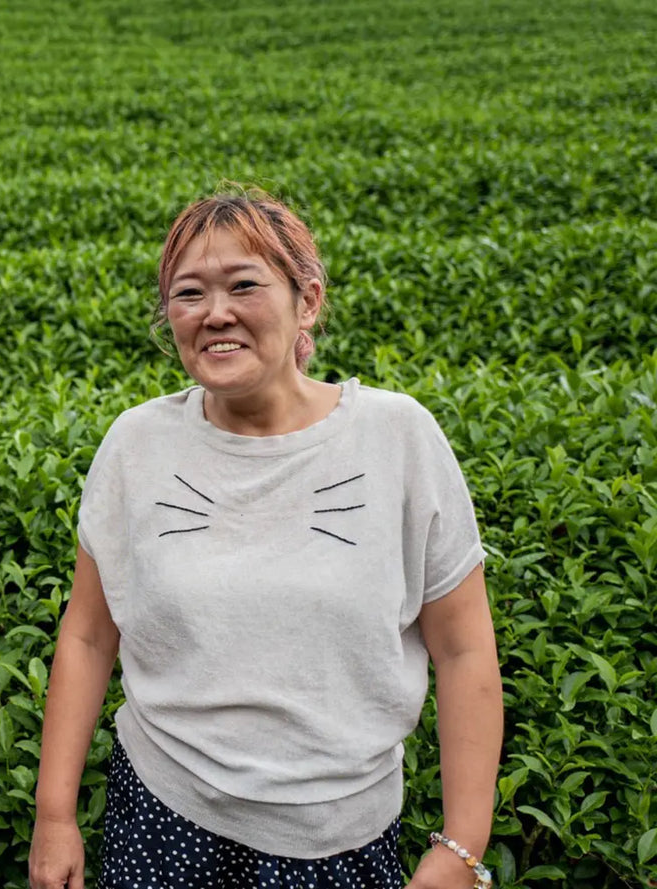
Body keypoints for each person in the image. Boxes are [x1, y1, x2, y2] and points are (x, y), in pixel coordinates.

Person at [29, 190, 503, 889]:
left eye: (244, 284)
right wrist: (54, 813)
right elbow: (89, 636)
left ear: (306, 299)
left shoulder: (396, 436)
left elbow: (464, 650)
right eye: (188, 293)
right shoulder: (138, 442)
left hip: (341, 834)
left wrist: (462, 849)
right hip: (163, 816)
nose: (215, 312)